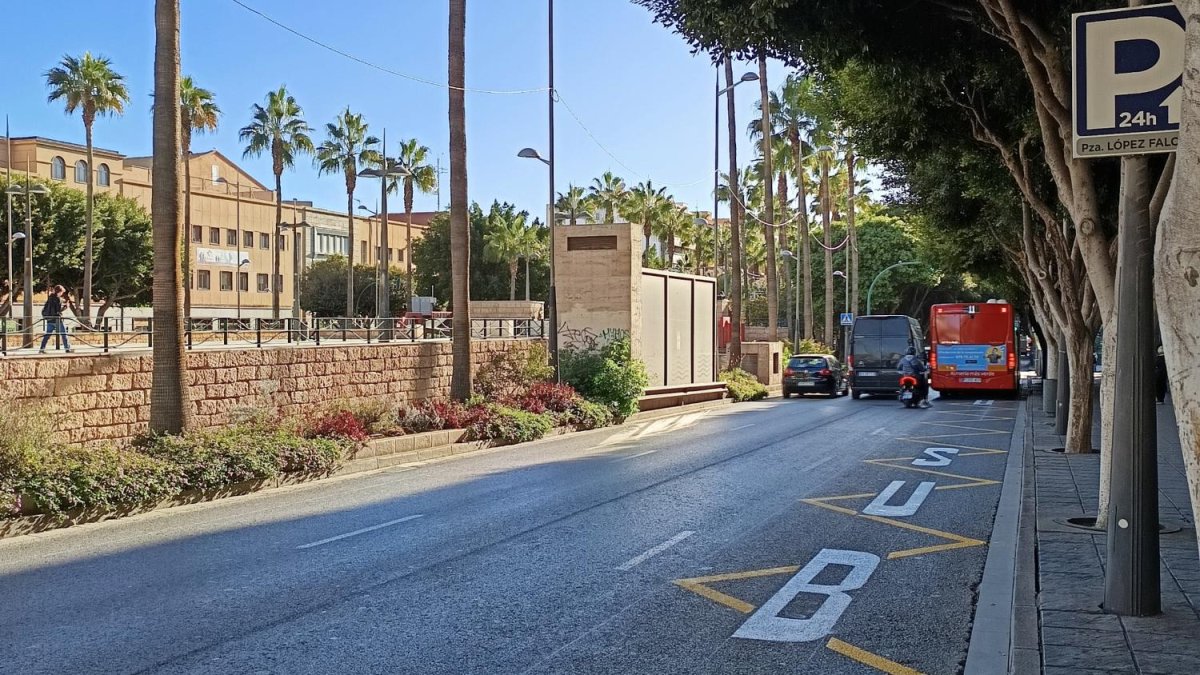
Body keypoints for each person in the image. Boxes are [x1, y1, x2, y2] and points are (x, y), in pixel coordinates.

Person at [38, 284, 72, 354]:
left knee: (47, 335)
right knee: (64, 334)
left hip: (50, 319)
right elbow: (58, 311)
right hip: (57, 320)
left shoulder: (50, 298)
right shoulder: (58, 299)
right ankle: (67, 348)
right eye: (62, 292)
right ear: (59, 292)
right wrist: (66, 307)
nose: (62, 294)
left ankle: (42, 349)